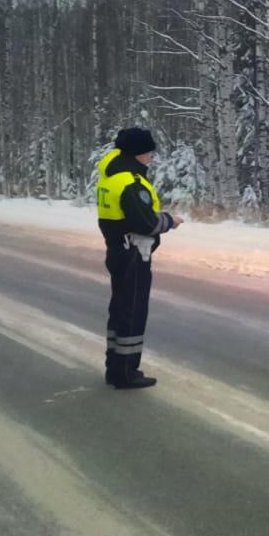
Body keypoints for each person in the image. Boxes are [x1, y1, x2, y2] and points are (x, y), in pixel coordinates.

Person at [96, 127, 181, 389]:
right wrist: (169, 220)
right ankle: (126, 372)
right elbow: (145, 223)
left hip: (118, 249)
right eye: (148, 153)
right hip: (134, 252)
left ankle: (115, 367)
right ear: (138, 154)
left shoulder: (111, 177)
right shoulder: (131, 183)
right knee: (132, 311)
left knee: (119, 309)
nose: (151, 158)